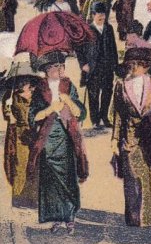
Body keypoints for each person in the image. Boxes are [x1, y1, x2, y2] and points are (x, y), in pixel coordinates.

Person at [28, 52, 88, 234]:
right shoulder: (40, 90)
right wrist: (50, 109)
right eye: (54, 66)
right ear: (46, 70)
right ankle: (56, 218)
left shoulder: (69, 86)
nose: (59, 69)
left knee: (68, 177)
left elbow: (80, 113)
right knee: (51, 181)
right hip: (47, 140)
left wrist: (68, 100)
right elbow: (33, 117)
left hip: (66, 138)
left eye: (61, 65)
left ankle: (69, 218)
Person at [111, 44, 151, 227]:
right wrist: (115, 139)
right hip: (130, 136)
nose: (133, 68)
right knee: (132, 176)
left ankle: (149, 217)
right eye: (130, 64)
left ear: (146, 65)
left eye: (137, 64)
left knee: (149, 175)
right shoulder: (121, 85)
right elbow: (117, 114)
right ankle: (134, 217)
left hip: (150, 136)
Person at [77, 1, 118, 129]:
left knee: (107, 93)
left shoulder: (109, 28)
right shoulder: (87, 30)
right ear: (93, 15)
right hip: (93, 68)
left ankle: (104, 117)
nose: (101, 17)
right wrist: (83, 64)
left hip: (107, 67)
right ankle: (95, 120)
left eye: (103, 14)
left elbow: (113, 48)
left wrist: (115, 65)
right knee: (93, 94)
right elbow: (78, 49)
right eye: (98, 14)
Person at [2, 68, 39, 208]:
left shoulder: (37, 95)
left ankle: (33, 198)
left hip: (35, 132)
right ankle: (18, 198)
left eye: (26, 80)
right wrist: (8, 110)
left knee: (34, 165)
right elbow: (6, 114)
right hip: (19, 133)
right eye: (21, 80)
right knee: (20, 164)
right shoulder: (11, 95)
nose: (23, 82)